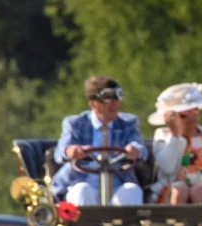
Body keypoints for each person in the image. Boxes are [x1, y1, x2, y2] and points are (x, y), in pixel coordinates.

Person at [53, 75, 148, 206]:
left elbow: (141, 149)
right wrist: (73, 151)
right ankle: (83, 220)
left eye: (118, 97)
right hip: (82, 181)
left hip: (117, 185)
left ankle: (126, 221)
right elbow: (61, 152)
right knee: (82, 191)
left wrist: (134, 150)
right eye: (108, 99)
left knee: (132, 191)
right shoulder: (75, 123)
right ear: (93, 103)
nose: (115, 104)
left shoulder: (128, 123)